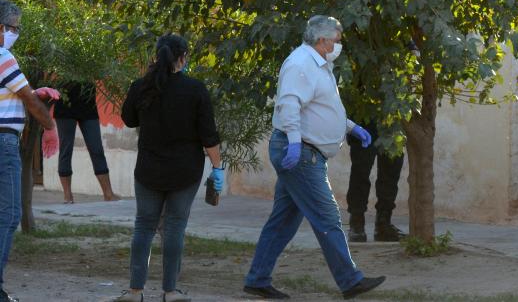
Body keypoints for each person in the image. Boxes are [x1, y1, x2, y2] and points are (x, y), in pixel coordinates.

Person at [243, 16, 385, 300]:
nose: (339, 45)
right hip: (301, 153)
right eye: (337, 40)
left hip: (306, 151)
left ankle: (257, 279)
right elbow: (289, 104)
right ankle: (350, 280)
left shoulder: (320, 65)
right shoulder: (301, 64)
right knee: (327, 216)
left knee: (283, 221)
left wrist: (350, 127)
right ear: (322, 41)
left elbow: (323, 107)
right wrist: (294, 143)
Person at [114, 34, 223, 302]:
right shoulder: (195, 89)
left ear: (157, 55)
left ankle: (135, 291)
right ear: (183, 57)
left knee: (144, 226)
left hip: (148, 169)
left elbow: (128, 119)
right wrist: (217, 167)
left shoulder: (141, 86)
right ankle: (170, 291)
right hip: (185, 172)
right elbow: (209, 135)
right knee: (174, 228)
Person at [0, 0, 58, 302]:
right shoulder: (3, 56)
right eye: (11, 28)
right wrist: (50, 127)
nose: (14, 34)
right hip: (4, 142)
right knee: (9, 215)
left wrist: (32, 94)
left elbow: (18, 94)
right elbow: (29, 100)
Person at [54, 81, 118, 203]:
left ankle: (108, 194)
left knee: (97, 149)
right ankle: (68, 196)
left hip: (88, 104)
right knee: (66, 150)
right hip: (65, 103)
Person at [346, 119, 405, 243]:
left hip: (393, 119)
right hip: (364, 116)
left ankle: (383, 224)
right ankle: (356, 223)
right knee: (360, 171)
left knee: (391, 172)